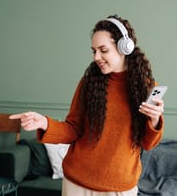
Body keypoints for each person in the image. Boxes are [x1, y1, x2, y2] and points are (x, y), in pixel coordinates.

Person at [10, 14, 164, 196]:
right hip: (77, 183)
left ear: (124, 47)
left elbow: (147, 144)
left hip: (120, 188)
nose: (97, 57)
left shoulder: (146, 88)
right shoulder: (89, 83)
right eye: (94, 51)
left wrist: (154, 119)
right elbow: (73, 129)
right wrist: (44, 122)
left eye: (103, 50)